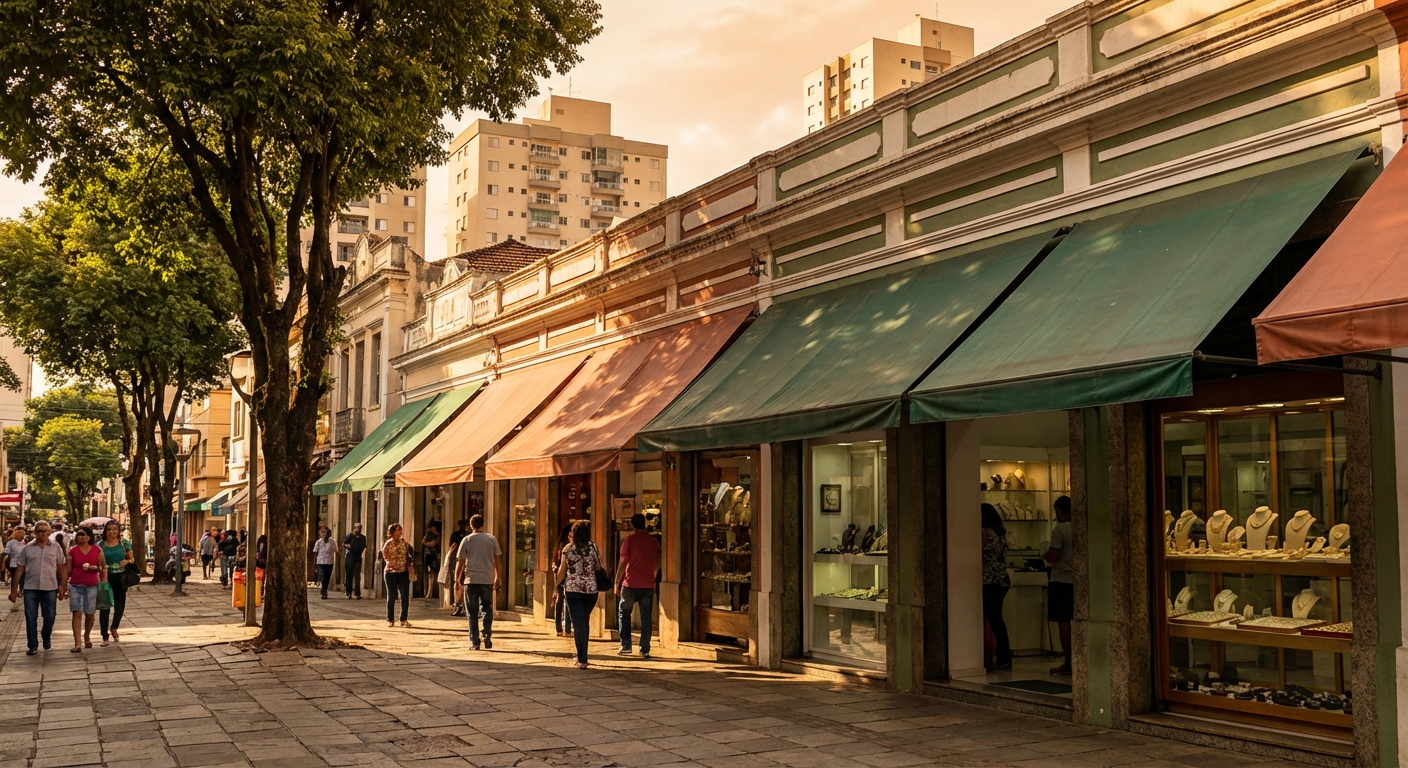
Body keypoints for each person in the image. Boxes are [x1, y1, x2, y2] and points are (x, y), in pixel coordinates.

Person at [9, 520, 68, 655]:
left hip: (50, 587)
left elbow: (62, 567)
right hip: (31, 588)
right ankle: (32, 645)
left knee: (50, 616)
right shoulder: (27, 548)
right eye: (39, 531)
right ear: (34, 533)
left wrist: (63, 587)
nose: (42, 534)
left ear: (49, 532)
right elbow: (19, 569)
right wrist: (13, 591)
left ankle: (46, 635)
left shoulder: (55, 547)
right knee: (30, 617)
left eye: (44, 531)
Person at [554, 520, 603, 669]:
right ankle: (583, 655)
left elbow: (562, 570)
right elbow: (598, 566)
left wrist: (556, 587)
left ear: (574, 533)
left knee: (578, 623)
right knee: (584, 621)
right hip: (591, 591)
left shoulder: (568, 549)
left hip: (573, 590)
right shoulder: (593, 547)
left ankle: (582, 658)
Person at [615, 513, 660, 659]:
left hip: (630, 583)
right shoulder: (653, 541)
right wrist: (653, 574)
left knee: (624, 613)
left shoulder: (629, 540)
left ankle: (626, 645)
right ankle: (645, 648)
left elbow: (623, 562)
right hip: (647, 584)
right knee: (646, 617)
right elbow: (658, 560)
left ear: (633, 525)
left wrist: (617, 581)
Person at [454, 514, 500, 651]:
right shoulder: (491, 539)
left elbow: (460, 561)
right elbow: (498, 560)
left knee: (472, 612)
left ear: (471, 525)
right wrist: (498, 577)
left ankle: (475, 641)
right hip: (487, 580)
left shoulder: (467, 540)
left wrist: (457, 579)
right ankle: (487, 635)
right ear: (483, 524)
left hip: (471, 580)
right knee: (487, 610)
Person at [1045, 495, 1075, 676]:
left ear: (1058, 510)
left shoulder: (1059, 530)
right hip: (1076, 580)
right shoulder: (1080, 528)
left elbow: (1053, 556)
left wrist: (1044, 555)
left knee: (1064, 622)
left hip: (1061, 579)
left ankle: (1068, 661)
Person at [980, 503, 1012, 671]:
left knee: (992, 618)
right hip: (1001, 579)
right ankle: (1003, 656)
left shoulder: (984, 533)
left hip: (989, 580)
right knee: (997, 618)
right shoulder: (1001, 533)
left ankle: (999, 656)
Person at [67, 527, 106, 653]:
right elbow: (68, 569)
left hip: (91, 585)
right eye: (78, 534)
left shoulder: (97, 550)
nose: (81, 537)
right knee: (77, 612)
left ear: (89, 536)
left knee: (90, 614)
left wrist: (97, 569)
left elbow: (103, 566)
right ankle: (77, 643)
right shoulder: (72, 551)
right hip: (75, 585)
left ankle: (87, 636)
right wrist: (63, 586)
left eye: (83, 534)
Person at [98, 520, 133, 645]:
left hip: (121, 577)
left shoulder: (124, 543)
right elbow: (96, 561)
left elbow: (131, 558)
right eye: (109, 529)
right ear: (105, 531)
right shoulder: (100, 545)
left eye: (115, 529)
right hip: (105, 578)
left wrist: (126, 561)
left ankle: (114, 627)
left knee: (120, 604)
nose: (112, 532)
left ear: (118, 531)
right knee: (104, 606)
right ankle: (104, 635)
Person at [380, 524, 412, 628]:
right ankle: (390, 619)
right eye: (398, 530)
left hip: (403, 572)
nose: (400, 532)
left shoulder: (404, 543)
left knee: (405, 596)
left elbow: (409, 554)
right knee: (391, 596)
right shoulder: (388, 543)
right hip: (390, 572)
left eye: (400, 530)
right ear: (392, 532)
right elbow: (384, 553)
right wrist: (390, 562)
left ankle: (403, 618)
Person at [551, 524, 574, 637]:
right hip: (565, 575)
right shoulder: (567, 546)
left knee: (559, 601)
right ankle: (567, 629)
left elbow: (555, 561)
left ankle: (559, 628)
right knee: (566, 602)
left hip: (558, 575)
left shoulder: (559, 545)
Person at [439, 528, 466, 617]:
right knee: (460, 585)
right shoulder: (457, 548)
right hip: (459, 567)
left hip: (456, 567)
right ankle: (459, 606)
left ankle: (458, 606)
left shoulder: (453, 550)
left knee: (458, 585)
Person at [343, 523, 366, 599]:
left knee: (357, 576)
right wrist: (347, 546)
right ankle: (348, 592)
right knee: (349, 575)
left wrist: (361, 554)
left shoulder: (363, 538)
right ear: (353, 528)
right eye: (356, 528)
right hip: (349, 558)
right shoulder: (350, 536)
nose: (357, 529)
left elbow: (364, 547)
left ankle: (357, 593)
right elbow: (344, 544)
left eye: (358, 528)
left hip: (357, 558)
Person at [312, 526, 336, 599]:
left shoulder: (332, 541)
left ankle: (324, 590)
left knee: (327, 577)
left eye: (324, 532)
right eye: (321, 532)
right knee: (322, 576)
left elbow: (335, 550)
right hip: (320, 562)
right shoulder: (318, 542)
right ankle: (323, 591)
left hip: (329, 562)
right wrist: (314, 565)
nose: (323, 534)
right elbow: (315, 553)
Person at [421, 521, 441, 598]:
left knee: (433, 573)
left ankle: (431, 591)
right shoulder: (429, 534)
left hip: (434, 555)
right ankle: (428, 591)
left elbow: (433, 543)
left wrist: (428, 544)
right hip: (428, 556)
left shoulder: (438, 536)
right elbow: (423, 541)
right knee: (429, 573)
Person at [5, 527, 25, 599]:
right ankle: (14, 591)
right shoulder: (11, 543)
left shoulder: (24, 541)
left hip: (22, 564)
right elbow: (7, 553)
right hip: (14, 564)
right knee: (15, 578)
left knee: (22, 578)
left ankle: (20, 590)